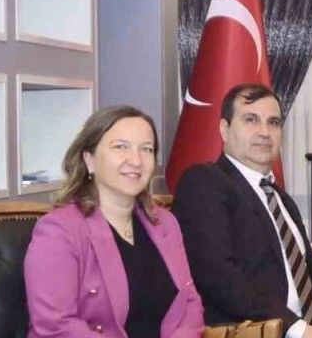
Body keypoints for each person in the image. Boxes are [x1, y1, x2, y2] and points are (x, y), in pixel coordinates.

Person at [173, 84, 312, 338]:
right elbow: (219, 278)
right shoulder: (204, 182)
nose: (264, 132)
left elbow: (303, 279)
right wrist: (298, 329)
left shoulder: (281, 199)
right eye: (251, 120)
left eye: (273, 123)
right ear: (224, 129)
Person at [24, 106, 204, 338]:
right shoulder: (59, 230)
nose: (136, 160)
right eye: (121, 147)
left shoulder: (165, 223)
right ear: (89, 160)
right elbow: (55, 325)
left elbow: (189, 303)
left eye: (146, 149)